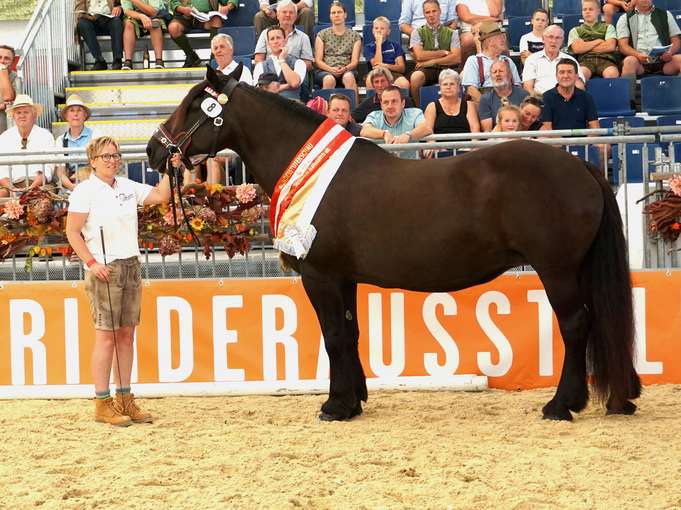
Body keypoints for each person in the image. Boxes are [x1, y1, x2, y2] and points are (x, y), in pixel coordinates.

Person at [65, 136, 171, 427]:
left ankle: (125, 398)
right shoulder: (85, 191)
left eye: (115, 155)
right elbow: (72, 232)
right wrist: (92, 262)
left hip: (131, 265)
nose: (112, 160)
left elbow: (162, 196)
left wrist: (168, 169)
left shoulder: (127, 186)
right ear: (93, 161)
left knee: (126, 336)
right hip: (105, 267)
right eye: (106, 156)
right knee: (106, 337)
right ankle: (102, 402)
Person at [409, 0, 461, 106]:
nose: (431, 15)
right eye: (428, 12)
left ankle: (457, 107)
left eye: (434, 11)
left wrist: (431, 61)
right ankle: (419, 108)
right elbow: (419, 55)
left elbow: (456, 58)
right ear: (424, 14)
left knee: (462, 77)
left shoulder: (452, 33)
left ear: (440, 11)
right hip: (427, 69)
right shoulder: (417, 32)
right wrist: (442, 53)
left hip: (448, 68)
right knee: (415, 77)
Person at [0, 95, 54, 197]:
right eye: (18, 113)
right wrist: (12, 188)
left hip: (39, 184)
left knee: (42, 197)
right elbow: (1, 170)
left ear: (34, 115)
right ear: (14, 116)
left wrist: (32, 188)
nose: (22, 115)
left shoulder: (45, 135)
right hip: (11, 185)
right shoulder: (4, 137)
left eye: (26, 112)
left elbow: (48, 167)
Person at [360, 85, 433, 159]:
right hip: (383, 167)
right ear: (381, 105)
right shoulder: (374, 116)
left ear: (403, 103)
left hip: (410, 167)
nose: (390, 106)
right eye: (386, 102)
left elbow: (426, 128)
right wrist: (384, 133)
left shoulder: (415, 113)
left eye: (394, 101)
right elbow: (364, 130)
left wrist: (408, 135)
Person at [617, 0, 681, 77]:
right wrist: (637, 55)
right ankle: (630, 89)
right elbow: (622, 46)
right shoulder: (624, 18)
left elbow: (676, 40)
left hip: (664, 61)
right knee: (629, 61)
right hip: (639, 62)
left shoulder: (666, 14)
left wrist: (670, 53)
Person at [461, 21, 521, 102]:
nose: (504, 39)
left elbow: (517, 87)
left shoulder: (508, 61)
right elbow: (471, 90)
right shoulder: (474, 61)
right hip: (484, 102)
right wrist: (487, 106)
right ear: (489, 41)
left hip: (508, 103)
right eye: (500, 37)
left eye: (503, 37)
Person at [314, 1, 361, 102]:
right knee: (329, 79)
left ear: (345, 15)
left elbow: (355, 62)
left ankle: (353, 114)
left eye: (339, 12)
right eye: (333, 13)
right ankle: (324, 114)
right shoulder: (321, 35)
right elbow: (318, 61)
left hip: (347, 69)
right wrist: (331, 69)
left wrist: (345, 68)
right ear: (330, 16)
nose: (336, 15)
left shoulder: (355, 36)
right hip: (325, 70)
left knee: (349, 77)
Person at [253, 0, 313, 79]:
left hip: (294, 76)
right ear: (277, 15)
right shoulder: (265, 34)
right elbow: (258, 60)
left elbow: (308, 64)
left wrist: (290, 74)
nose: (287, 15)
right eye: (284, 12)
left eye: (291, 12)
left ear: (295, 16)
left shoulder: (303, 37)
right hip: (270, 76)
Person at [168, 0, 236, 68]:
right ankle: (191, 56)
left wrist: (228, 7)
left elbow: (232, 1)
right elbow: (173, 2)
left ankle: (214, 58)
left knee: (216, 20)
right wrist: (181, 8)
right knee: (173, 28)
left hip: (205, 16)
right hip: (183, 16)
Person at [54, 95, 101, 191]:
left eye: (79, 110)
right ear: (66, 116)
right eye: (71, 110)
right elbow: (61, 172)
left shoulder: (95, 135)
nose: (75, 114)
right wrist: (73, 188)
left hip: (94, 183)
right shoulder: (61, 140)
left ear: (85, 115)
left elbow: (100, 165)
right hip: (71, 186)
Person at [523, 25, 586, 95]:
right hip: (540, 100)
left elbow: (579, 86)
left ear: (562, 41)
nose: (554, 41)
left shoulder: (570, 60)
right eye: (550, 37)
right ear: (543, 39)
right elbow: (528, 87)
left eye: (558, 38)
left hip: (565, 101)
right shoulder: (532, 59)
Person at [567, 0, 620, 81]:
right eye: (584, 9)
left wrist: (585, 46)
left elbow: (610, 46)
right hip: (585, 60)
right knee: (580, 75)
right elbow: (577, 49)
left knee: (612, 74)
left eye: (590, 9)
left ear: (598, 11)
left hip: (606, 60)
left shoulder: (608, 27)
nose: (587, 12)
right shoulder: (575, 30)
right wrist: (598, 41)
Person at [541, 58, 599, 131]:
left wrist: (586, 141)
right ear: (556, 76)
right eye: (562, 72)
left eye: (570, 72)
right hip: (555, 141)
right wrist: (564, 142)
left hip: (582, 141)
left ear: (576, 76)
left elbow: (595, 127)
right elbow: (547, 130)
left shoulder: (586, 97)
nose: (566, 76)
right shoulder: (546, 97)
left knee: (604, 142)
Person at [254, 26, 307, 100]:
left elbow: (294, 83)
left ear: (285, 40)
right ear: (268, 44)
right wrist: (287, 85)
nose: (275, 41)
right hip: (268, 105)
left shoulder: (299, 63)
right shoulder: (260, 66)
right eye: (272, 39)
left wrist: (282, 60)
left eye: (278, 38)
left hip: (292, 105)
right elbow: (259, 91)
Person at [424, 68, 480, 134]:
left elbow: (475, 131)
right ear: (440, 88)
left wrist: (472, 144)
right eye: (445, 84)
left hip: (466, 144)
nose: (448, 87)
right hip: (439, 144)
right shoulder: (432, 107)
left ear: (459, 88)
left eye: (452, 84)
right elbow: (428, 131)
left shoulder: (469, 105)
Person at [478, 58, 529, 131]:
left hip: (520, 138)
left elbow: (527, 124)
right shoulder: (485, 99)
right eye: (494, 72)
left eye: (501, 71)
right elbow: (487, 130)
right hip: (496, 139)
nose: (497, 74)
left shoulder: (523, 95)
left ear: (510, 75)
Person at [121, 0, 171, 69]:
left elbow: (153, 12)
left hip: (156, 16)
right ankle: (128, 61)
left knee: (155, 23)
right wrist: (141, 16)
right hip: (137, 17)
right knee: (128, 24)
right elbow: (127, 11)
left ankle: (159, 61)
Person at [75, 0, 124, 70]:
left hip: (109, 19)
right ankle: (99, 60)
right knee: (82, 24)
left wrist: (119, 8)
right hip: (91, 20)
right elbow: (78, 12)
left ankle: (117, 60)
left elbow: (122, 4)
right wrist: (89, 17)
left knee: (117, 21)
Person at [364, 16, 410, 89]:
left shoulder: (395, 45)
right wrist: (378, 44)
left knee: (404, 83)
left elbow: (401, 68)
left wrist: (385, 65)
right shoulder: (369, 47)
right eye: (376, 28)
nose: (379, 30)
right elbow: (376, 65)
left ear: (388, 31)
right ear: (372, 31)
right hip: (376, 74)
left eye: (382, 28)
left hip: (393, 73)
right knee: (369, 81)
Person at [0, 45, 21, 134]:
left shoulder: (16, 77)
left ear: (12, 62)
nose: (2, 61)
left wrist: (3, 71)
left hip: (5, 129)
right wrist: (1, 106)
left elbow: (9, 98)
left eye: (7, 58)